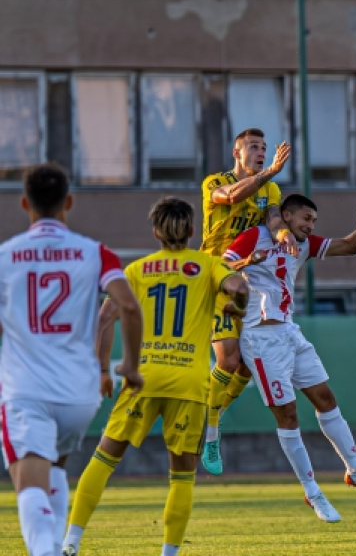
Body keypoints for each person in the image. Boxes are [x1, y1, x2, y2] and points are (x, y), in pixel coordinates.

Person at [62, 197, 248, 556]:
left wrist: (102, 369)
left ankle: (71, 541)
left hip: (143, 378)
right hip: (190, 385)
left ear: (155, 233)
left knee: (103, 459)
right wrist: (235, 306)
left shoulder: (136, 271)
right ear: (193, 231)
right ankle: (169, 553)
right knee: (181, 474)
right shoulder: (208, 265)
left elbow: (102, 320)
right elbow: (239, 289)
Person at [0, 163, 143, 556]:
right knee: (56, 468)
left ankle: (45, 551)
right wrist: (129, 365)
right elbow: (127, 306)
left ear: (25, 203)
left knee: (27, 478)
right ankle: (57, 546)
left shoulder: (5, 256)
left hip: (26, 389)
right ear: (70, 202)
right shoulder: (96, 253)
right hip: (79, 395)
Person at [224, 194, 356, 524]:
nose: (310, 225)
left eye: (313, 221)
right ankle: (312, 492)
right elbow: (219, 266)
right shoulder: (253, 237)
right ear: (285, 215)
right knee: (287, 415)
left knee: (326, 399)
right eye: (305, 219)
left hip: (290, 332)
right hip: (259, 338)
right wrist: (248, 262)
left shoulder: (303, 244)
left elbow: (349, 246)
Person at [200, 128, 294, 476]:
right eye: (254, 147)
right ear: (236, 152)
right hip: (213, 276)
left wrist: (284, 234)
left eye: (264, 148)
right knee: (228, 358)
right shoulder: (213, 181)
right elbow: (228, 197)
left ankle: (212, 414)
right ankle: (210, 436)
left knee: (244, 367)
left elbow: (272, 219)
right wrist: (268, 171)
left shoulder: (270, 189)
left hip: (247, 281)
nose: (260, 152)